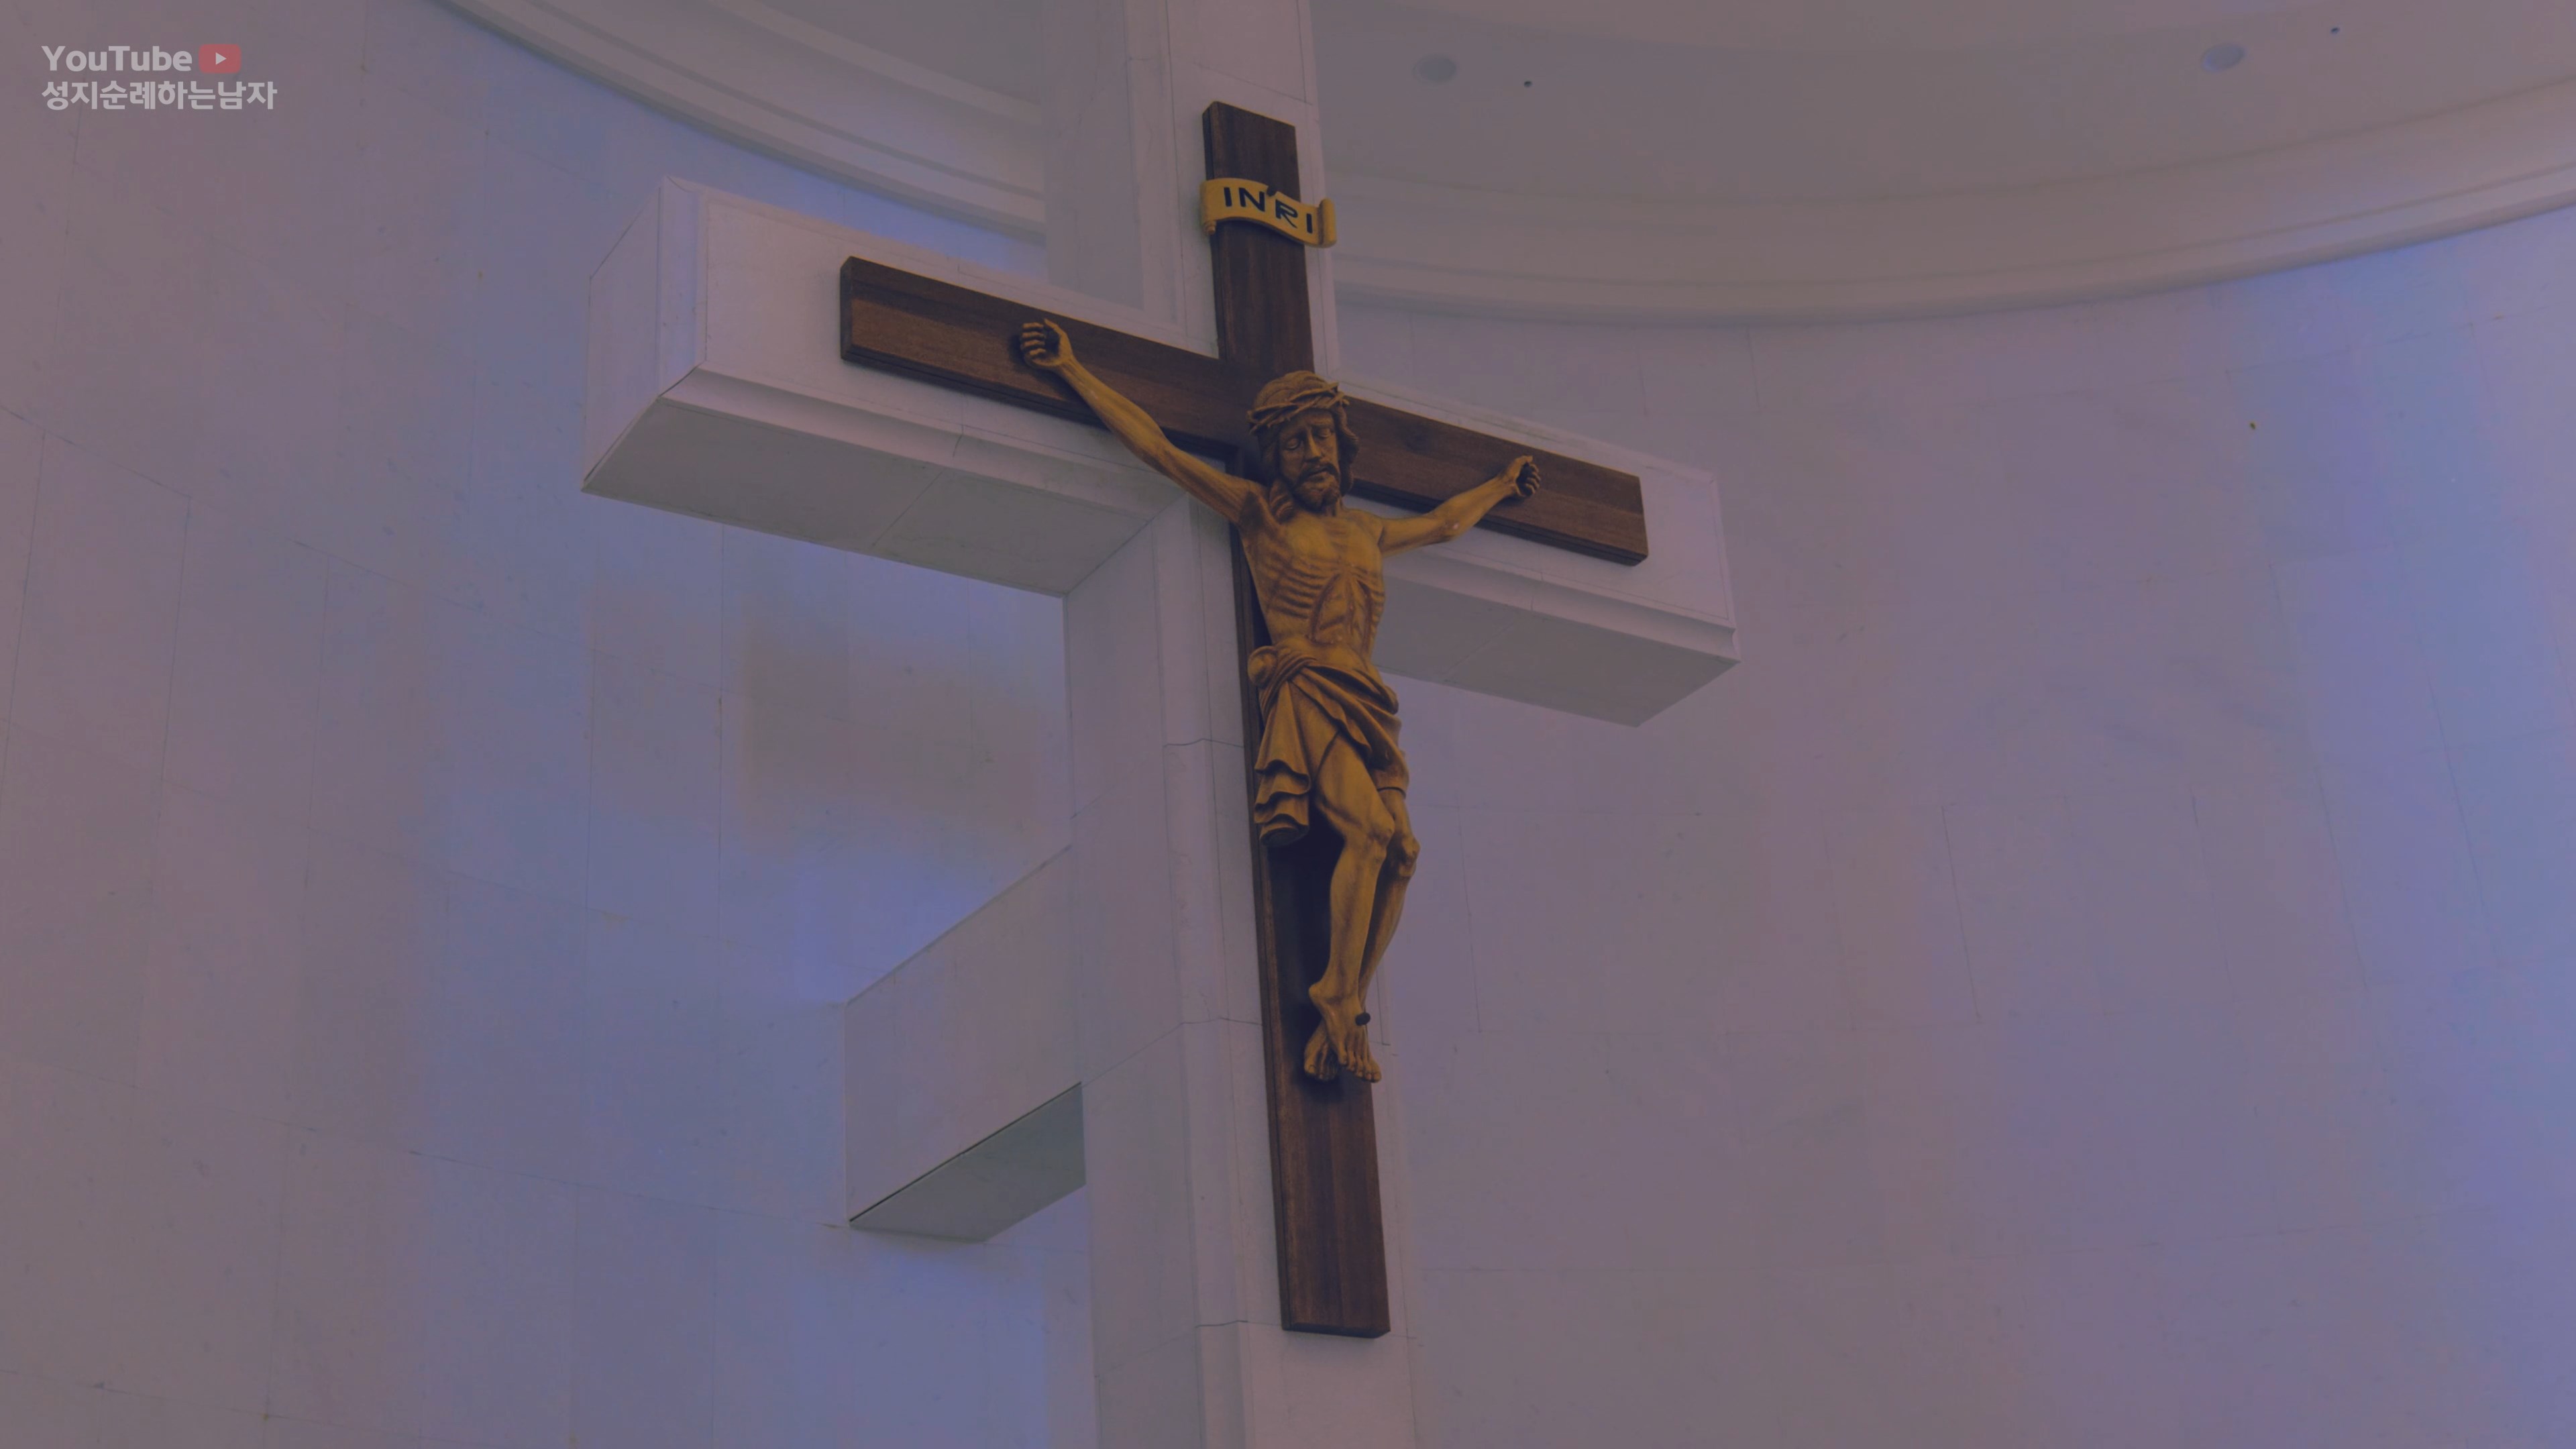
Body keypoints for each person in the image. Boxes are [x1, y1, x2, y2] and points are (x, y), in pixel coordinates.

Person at [1018, 319, 1539, 1081]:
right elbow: (1158, 449)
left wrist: (1500, 485)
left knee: (1404, 852)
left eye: (1321, 436)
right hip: (1308, 695)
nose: (1313, 452)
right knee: (1369, 834)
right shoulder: (1259, 515)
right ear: (1275, 457)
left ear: (1340, 444)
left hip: (1370, 704)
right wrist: (1073, 369)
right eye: (1295, 443)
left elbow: (1447, 524)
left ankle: (1343, 993)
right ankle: (1338, 997)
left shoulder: (1368, 532)